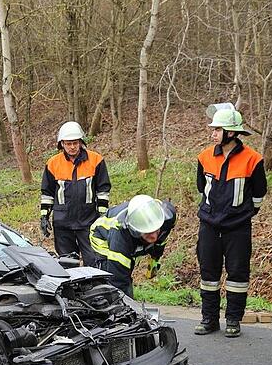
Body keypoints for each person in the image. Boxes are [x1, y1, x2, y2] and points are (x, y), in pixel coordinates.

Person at [195, 104, 267, 338]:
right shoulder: (205, 156)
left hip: (238, 227)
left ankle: (233, 319)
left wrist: (243, 214)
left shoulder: (253, 159)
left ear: (232, 133)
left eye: (217, 129)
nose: (213, 133)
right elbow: (201, 187)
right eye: (213, 129)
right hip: (208, 224)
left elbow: (259, 193)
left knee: (237, 275)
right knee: (208, 274)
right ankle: (209, 319)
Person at [40, 121, 111, 266]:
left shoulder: (96, 160)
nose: (72, 147)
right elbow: (47, 193)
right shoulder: (53, 163)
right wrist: (44, 216)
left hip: (88, 221)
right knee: (68, 263)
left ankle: (93, 288)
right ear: (62, 144)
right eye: (68, 143)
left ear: (81, 142)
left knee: (93, 260)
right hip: (63, 222)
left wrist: (102, 215)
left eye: (75, 143)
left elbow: (103, 189)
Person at [89, 194, 176, 298]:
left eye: (156, 230)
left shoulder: (168, 216)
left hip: (130, 238)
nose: (154, 237)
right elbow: (118, 279)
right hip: (102, 237)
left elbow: (160, 241)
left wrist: (155, 258)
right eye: (147, 233)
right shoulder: (120, 237)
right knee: (111, 279)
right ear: (136, 231)